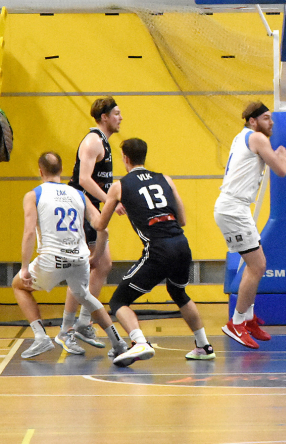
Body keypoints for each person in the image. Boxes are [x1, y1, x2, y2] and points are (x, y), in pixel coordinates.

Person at [95, 138, 215, 365]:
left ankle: (139, 341)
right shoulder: (165, 179)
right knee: (179, 293)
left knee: (118, 301)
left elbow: (101, 225)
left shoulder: (119, 186)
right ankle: (203, 345)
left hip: (158, 248)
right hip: (181, 244)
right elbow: (183, 219)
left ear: (125, 158)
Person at [12, 152, 128, 361]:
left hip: (52, 259)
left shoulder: (34, 195)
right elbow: (103, 227)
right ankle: (118, 342)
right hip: (80, 258)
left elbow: (29, 232)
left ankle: (41, 337)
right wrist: (97, 256)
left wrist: (24, 267)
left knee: (18, 285)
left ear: (40, 171)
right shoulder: (78, 195)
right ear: (61, 170)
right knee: (84, 295)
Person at [214, 102, 286, 349]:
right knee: (258, 266)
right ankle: (235, 323)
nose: (272, 123)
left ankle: (247, 318)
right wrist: (283, 155)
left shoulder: (242, 137)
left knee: (254, 265)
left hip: (235, 207)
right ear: (252, 121)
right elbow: (281, 170)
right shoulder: (257, 137)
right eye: (267, 118)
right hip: (234, 208)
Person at [67, 96, 121, 349]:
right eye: (117, 113)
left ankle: (83, 322)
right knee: (83, 268)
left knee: (101, 264)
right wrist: (111, 200)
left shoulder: (105, 143)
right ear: (104, 117)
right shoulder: (92, 141)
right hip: (79, 205)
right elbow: (84, 179)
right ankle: (70, 328)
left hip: (90, 206)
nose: (121, 118)